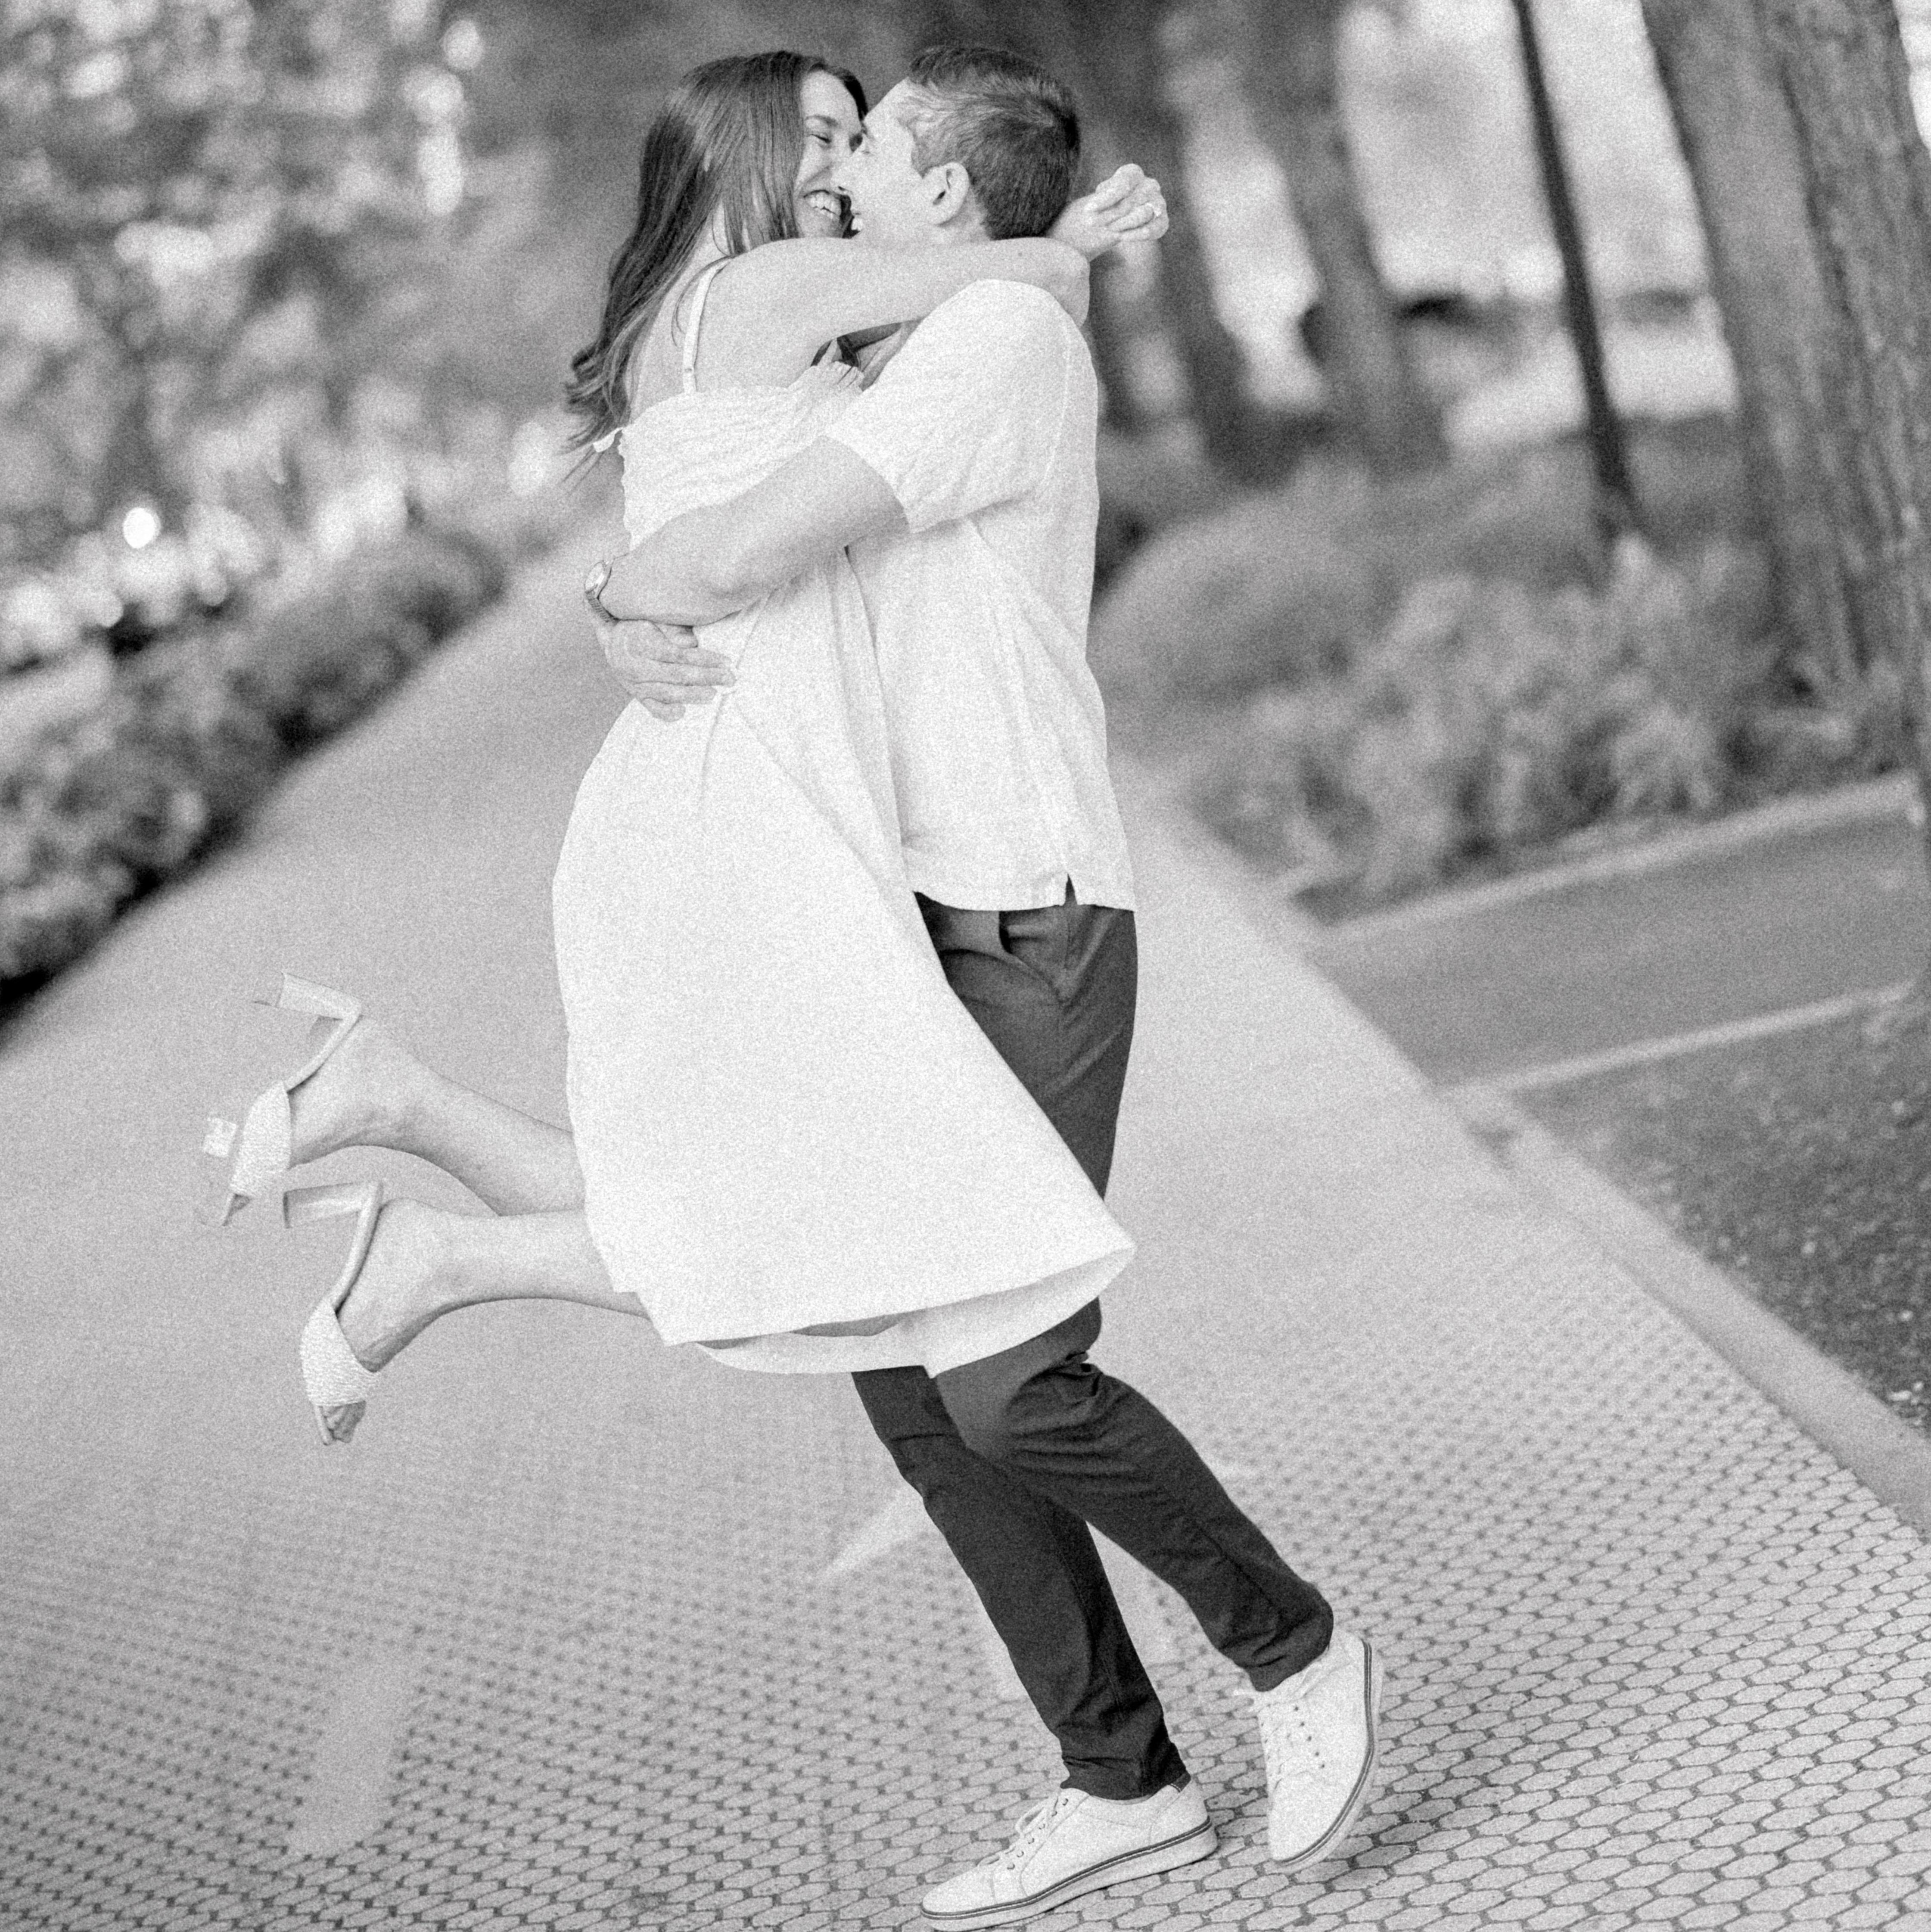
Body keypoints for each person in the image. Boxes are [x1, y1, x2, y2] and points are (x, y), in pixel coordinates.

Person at [588, 42, 1384, 1932]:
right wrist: (621, 604)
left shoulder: (992, 347)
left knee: (1012, 1384)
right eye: (827, 142)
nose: (841, 175)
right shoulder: (905, 344)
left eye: (870, 147)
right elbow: (728, 514)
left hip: (1023, 912)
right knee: (909, 1388)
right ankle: (1120, 1781)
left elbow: (751, 543)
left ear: (942, 194)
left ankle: (1292, 1650)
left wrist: (628, 596)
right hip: (899, 917)